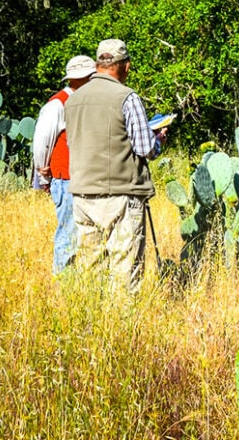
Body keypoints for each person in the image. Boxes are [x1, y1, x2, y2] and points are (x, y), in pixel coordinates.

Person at [64, 39, 167, 291]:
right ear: (125, 66)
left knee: (90, 270)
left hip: (82, 196)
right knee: (124, 271)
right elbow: (144, 148)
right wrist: (159, 141)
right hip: (121, 194)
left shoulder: (73, 101)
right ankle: (122, 328)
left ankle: (91, 326)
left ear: (99, 64)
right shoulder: (127, 97)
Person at [32, 55, 96, 274]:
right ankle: (63, 283)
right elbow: (42, 141)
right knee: (68, 235)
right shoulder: (57, 103)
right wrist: (43, 173)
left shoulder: (89, 101)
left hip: (85, 178)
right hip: (66, 177)